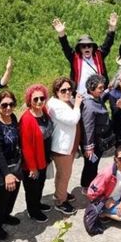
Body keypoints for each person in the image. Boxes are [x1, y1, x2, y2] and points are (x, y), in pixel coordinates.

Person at [52, 13, 118, 94]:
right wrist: (61, 34)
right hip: (80, 95)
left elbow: (108, 43)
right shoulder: (74, 57)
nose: (86, 48)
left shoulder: (99, 55)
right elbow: (65, 47)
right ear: (79, 48)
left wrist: (112, 28)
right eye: (83, 46)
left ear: (93, 47)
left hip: (98, 95)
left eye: (89, 45)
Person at [0, 91, 22, 240]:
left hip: (15, 163)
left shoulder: (13, 118)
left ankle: (5, 216)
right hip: (1, 167)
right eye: (4, 105)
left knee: (13, 193)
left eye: (11, 104)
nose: (8, 108)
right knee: (1, 197)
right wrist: (7, 173)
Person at [47, 77, 82, 215]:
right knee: (64, 175)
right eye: (63, 90)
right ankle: (60, 201)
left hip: (70, 146)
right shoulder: (55, 105)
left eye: (69, 89)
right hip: (61, 147)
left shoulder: (64, 101)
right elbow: (73, 120)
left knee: (64, 174)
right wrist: (77, 104)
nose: (67, 92)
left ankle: (61, 193)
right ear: (56, 91)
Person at [19, 84, 53, 223]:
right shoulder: (27, 119)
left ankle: (37, 204)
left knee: (40, 184)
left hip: (44, 157)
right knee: (32, 188)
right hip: (32, 162)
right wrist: (32, 167)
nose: (39, 101)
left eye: (42, 98)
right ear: (29, 101)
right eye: (36, 99)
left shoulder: (43, 111)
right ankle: (33, 211)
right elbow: (26, 147)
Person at [80, 74, 112, 190]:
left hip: (99, 140)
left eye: (103, 87)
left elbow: (104, 94)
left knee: (94, 164)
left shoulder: (97, 98)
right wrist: (89, 147)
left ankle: (91, 183)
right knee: (91, 165)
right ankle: (87, 186)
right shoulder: (88, 105)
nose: (102, 90)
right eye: (100, 88)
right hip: (94, 141)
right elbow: (88, 127)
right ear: (91, 89)